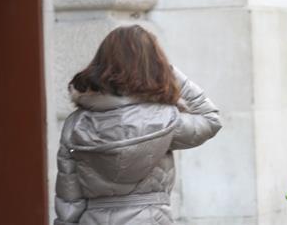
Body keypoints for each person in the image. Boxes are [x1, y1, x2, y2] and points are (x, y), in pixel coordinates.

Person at [54, 25, 222, 225]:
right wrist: (168, 71)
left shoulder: (76, 124)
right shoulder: (164, 119)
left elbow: (69, 197)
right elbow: (210, 119)